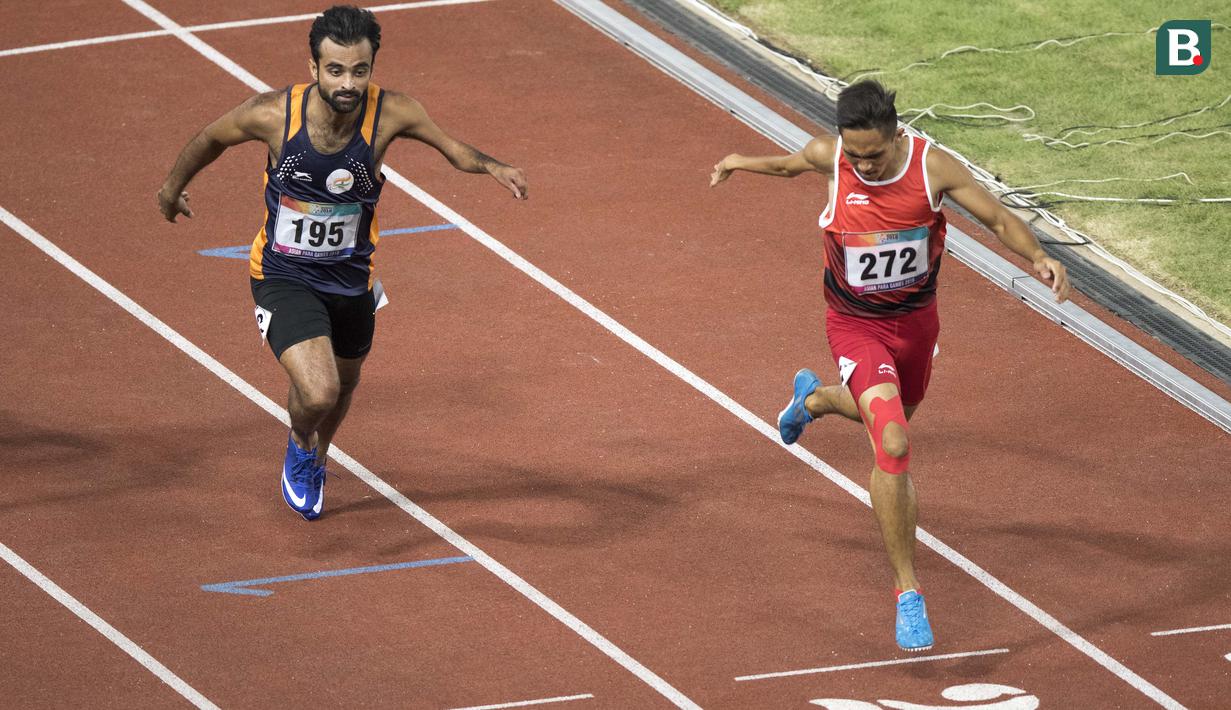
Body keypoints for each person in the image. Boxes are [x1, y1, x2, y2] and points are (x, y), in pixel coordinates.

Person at [710, 80, 1070, 652]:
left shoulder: (933, 169)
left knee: (897, 414)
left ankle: (814, 399)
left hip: (916, 323)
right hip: (855, 324)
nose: (864, 166)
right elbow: (786, 166)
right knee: (895, 443)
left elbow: (999, 220)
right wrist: (738, 161)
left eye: (874, 155)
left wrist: (1040, 256)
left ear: (897, 135)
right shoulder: (834, 157)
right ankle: (908, 593)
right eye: (855, 155)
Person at [156, 5, 527, 521]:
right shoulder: (273, 115)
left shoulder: (393, 113)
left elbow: (451, 150)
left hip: (352, 281)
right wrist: (172, 188)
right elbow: (211, 137)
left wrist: (493, 166)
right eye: (335, 70)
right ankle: (300, 442)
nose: (348, 82)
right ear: (313, 68)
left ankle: (318, 455)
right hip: (284, 274)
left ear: (372, 67)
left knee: (345, 385)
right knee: (319, 390)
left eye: (359, 70)